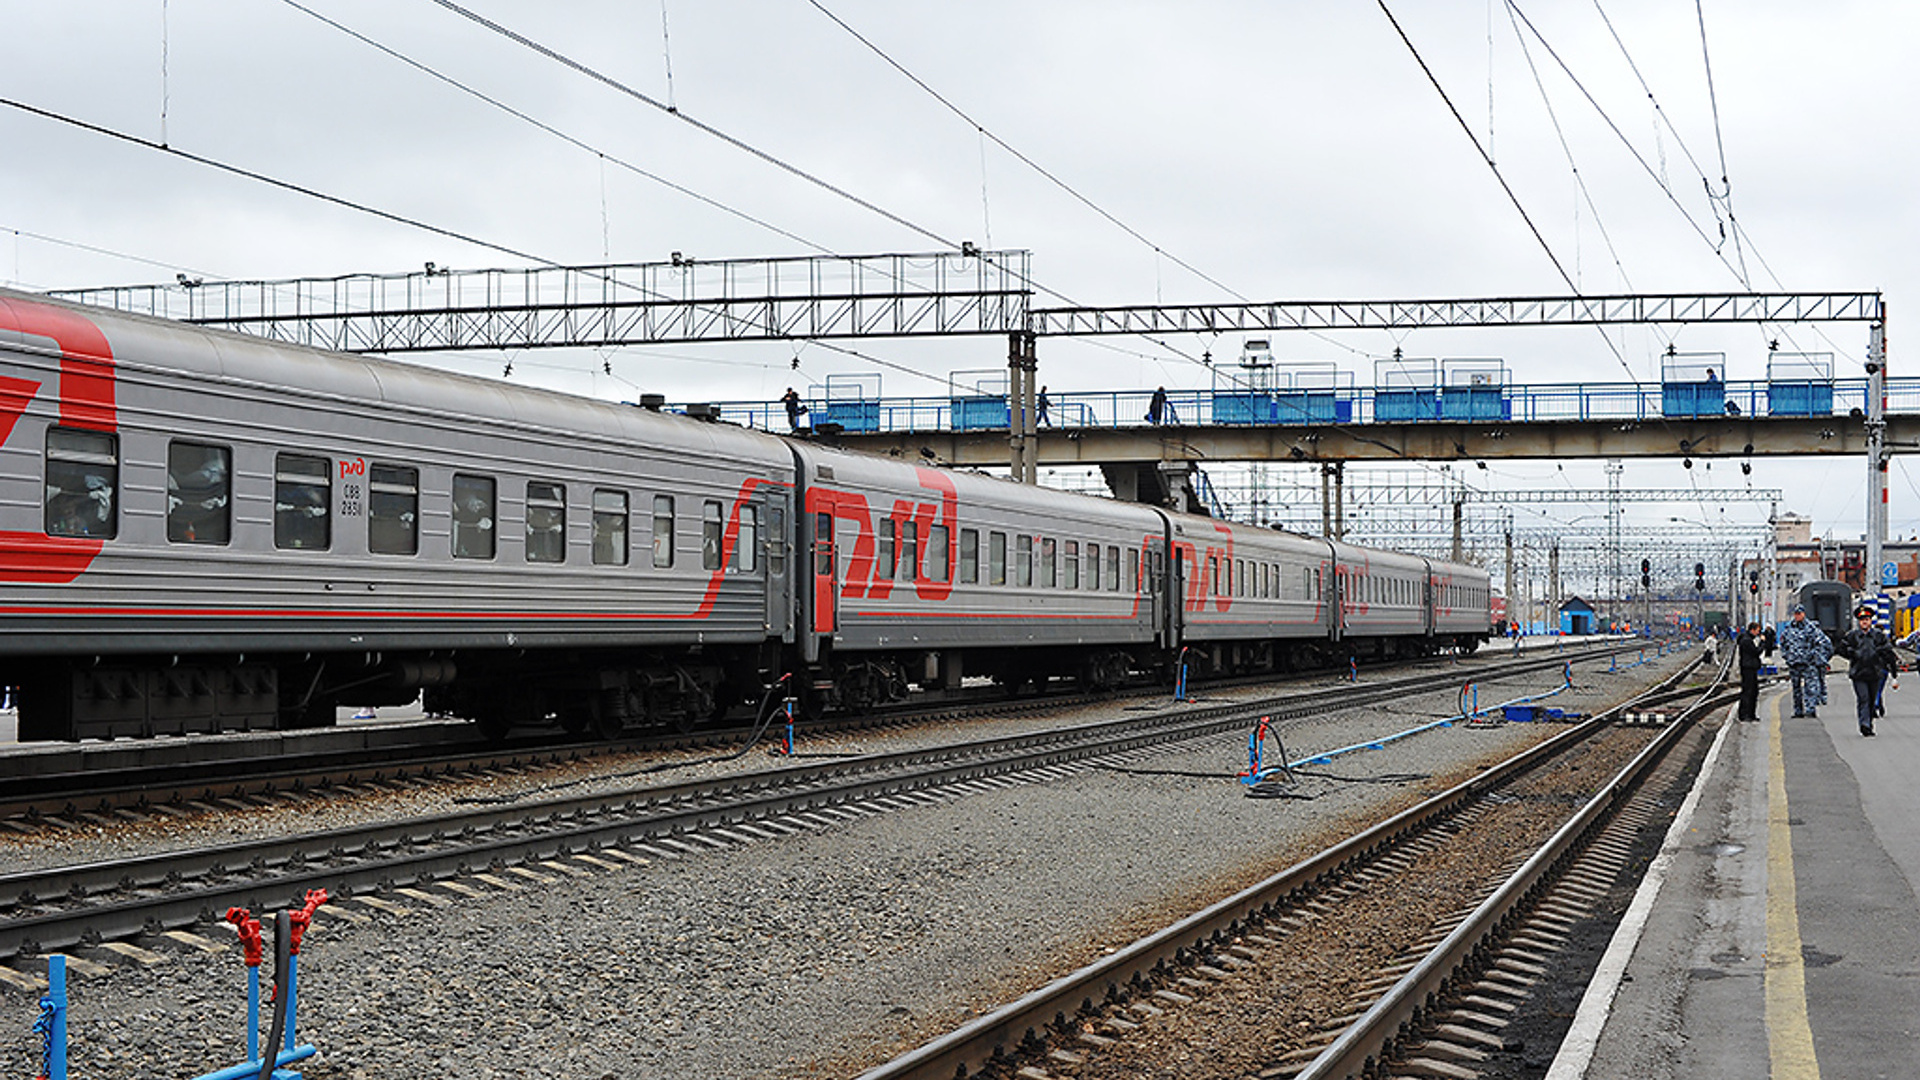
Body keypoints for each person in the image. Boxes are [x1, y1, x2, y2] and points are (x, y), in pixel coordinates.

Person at [1838, 606, 1898, 736]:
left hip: (1874, 673)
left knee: (1871, 700)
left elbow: (1888, 650)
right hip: (1858, 673)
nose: (1864, 622)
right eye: (1862, 620)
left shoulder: (1878, 636)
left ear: (1871, 621)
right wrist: (1852, 654)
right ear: (1859, 622)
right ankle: (1864, 724)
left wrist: (1880, 656)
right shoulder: (1853, 636)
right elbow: (1841, 648)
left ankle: (1869, 723)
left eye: (1867, 619)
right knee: (1863, 698)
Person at [1777, 604, 1831, 718]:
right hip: (1794, 663)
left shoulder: (1811, 628)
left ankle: (1810, 709)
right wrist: (1787, 657)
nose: (1797, 616)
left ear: (1804, 614)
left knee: (1810, 687)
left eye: (1799, 614)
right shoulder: (1789, 629)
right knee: (1796, 688)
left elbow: (1821, 643)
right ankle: (1798, 710)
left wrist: (1814, 656)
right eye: (1796, 614)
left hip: (1808, 663)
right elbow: (1783, 644)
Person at [1736, 621, 1766, 722]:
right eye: (1757, 631)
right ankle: (1745, 714)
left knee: (1753, 691)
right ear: (1752, 630)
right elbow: (1756, 652)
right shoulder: (1746, 641)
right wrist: (1762, 643)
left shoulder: (1748, 639)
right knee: (1748, 692)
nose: (1758, 633)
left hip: (1750, 668)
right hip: (1748, 668)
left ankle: (1751, 714)